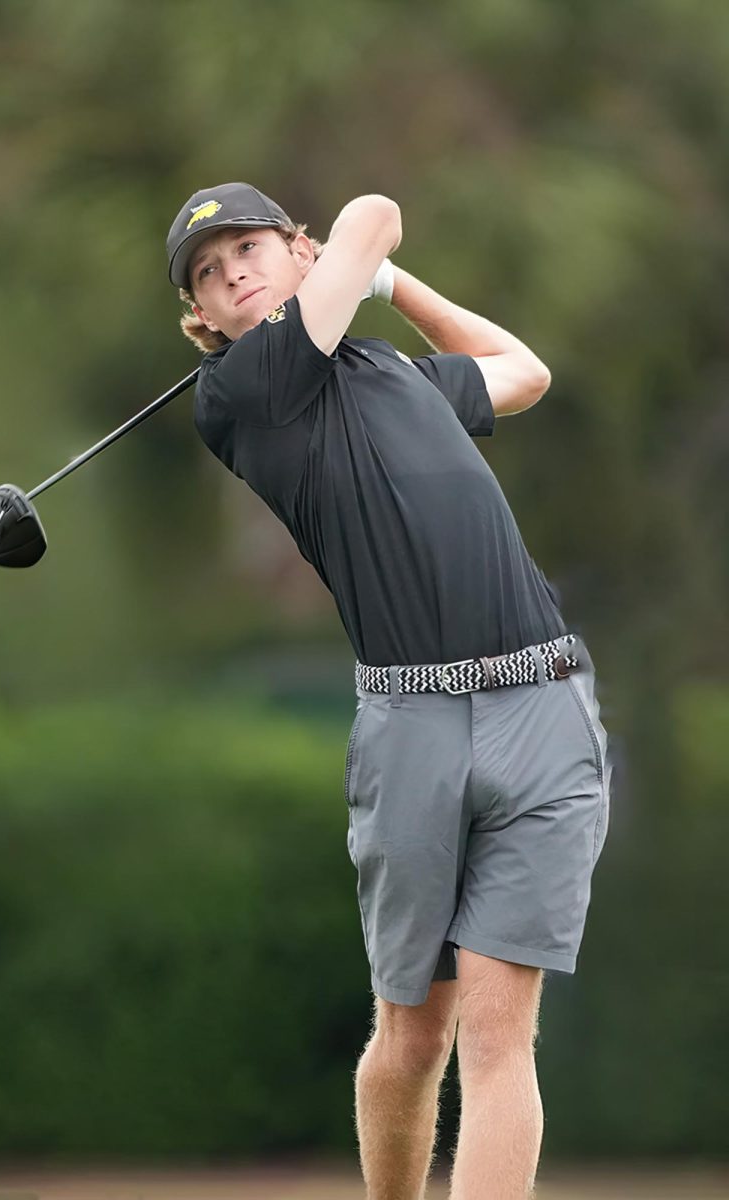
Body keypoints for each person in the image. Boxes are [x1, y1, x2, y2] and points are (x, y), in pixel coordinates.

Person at [166, 182, 611, 1199]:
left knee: (503, 1037)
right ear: (206, 320)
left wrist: (395, 286)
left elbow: (525, 373)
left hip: (542, 702)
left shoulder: (394, 377)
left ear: (290, 254)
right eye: (209, 272)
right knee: (415, 1036)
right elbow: (374, 210)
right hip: (413, 723)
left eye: (246, 248)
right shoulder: (243, 396)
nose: (231, 271)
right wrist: (353, 256)